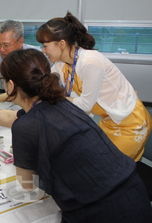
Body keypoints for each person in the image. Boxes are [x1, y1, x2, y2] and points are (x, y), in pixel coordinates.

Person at [0, 49, 152, 223]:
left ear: (11, 85)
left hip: (102, 212)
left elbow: (28, 185)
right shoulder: (62, 104)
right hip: (135, 195)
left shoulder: (27, 125)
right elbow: (11, 117)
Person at [36, 11, 151, 161]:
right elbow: (42, 85)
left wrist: (56, 96)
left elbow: (85, 104)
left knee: (110, 169)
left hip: (130, 123)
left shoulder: (90, 61)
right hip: (109, 120)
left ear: (62, 44)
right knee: (92, 162)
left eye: (45, 46)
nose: (43, 51)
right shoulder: (62, 65)